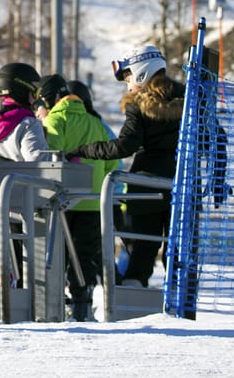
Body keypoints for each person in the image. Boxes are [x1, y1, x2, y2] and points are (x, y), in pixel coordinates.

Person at [78, 44, 184, 288]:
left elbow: (124, 146)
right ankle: (180, 303)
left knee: (142, 251)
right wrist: (216, 178)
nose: (127, 83)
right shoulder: (189, 99)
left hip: (146, 186)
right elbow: (215, 137)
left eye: (127, 76)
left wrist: (86, 150)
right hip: (184, 184)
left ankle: (133, 303)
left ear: (141, 72)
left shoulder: (139, 104)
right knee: (179, 253)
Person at [36, 75, 120, 321]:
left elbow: (51, 158)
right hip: (93, 201)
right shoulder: (95, 123)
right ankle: (83, 307)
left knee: (57, 258)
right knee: (84, 259)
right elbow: (112, 161)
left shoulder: (55, 120)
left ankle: (58, 308)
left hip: (62, 201)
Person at [0, 62, 48, 286]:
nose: (36, 97)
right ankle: (27, 305)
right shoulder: (27, 124)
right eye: (34, 90)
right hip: (23, 205)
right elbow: (37, 163)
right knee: (24, 262)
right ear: (22, 89)